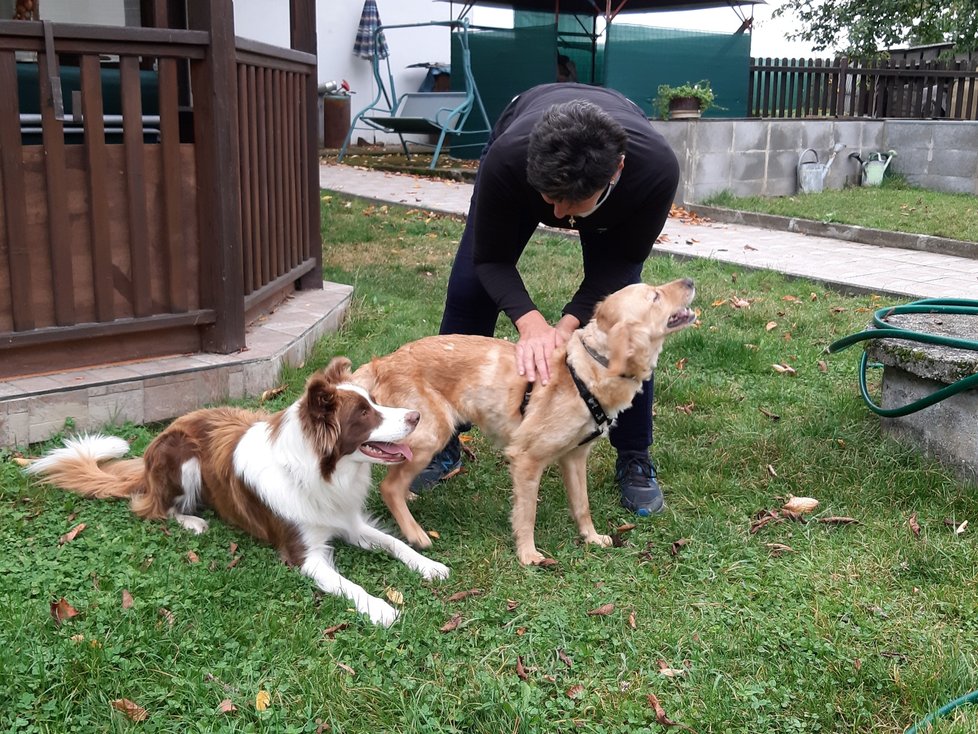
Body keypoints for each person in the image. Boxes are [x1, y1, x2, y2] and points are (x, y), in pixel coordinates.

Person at [415, 82, 680, 516]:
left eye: (572, 203)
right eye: (549, 199)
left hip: (622, 191)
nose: (559, 216)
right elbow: (492, 258)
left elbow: (621, 264)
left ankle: (634, 456)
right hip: (522, 128)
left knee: (626, 324)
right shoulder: (507, 157)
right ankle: (445, 439)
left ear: (616, 171)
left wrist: (568, 324)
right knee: (467, 291)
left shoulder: (655, 170)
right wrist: (531, 324)